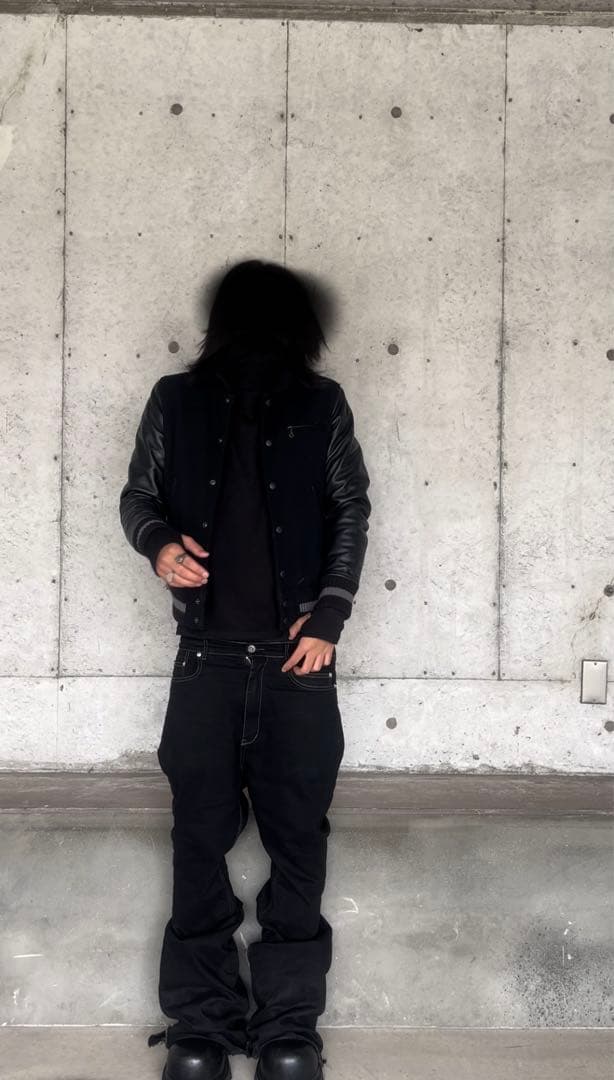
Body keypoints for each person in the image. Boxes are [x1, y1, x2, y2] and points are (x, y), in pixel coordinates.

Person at [119, 259, 371, 1080]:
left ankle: (285, 1032)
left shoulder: (320, 404)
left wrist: (329, 613)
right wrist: (159, 544)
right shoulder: (176, 400)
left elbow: (349, 505)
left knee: (294, 842)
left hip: (299, 663)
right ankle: (202, 1028)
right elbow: (138, 497)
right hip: (208, 661)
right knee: (201, 839)